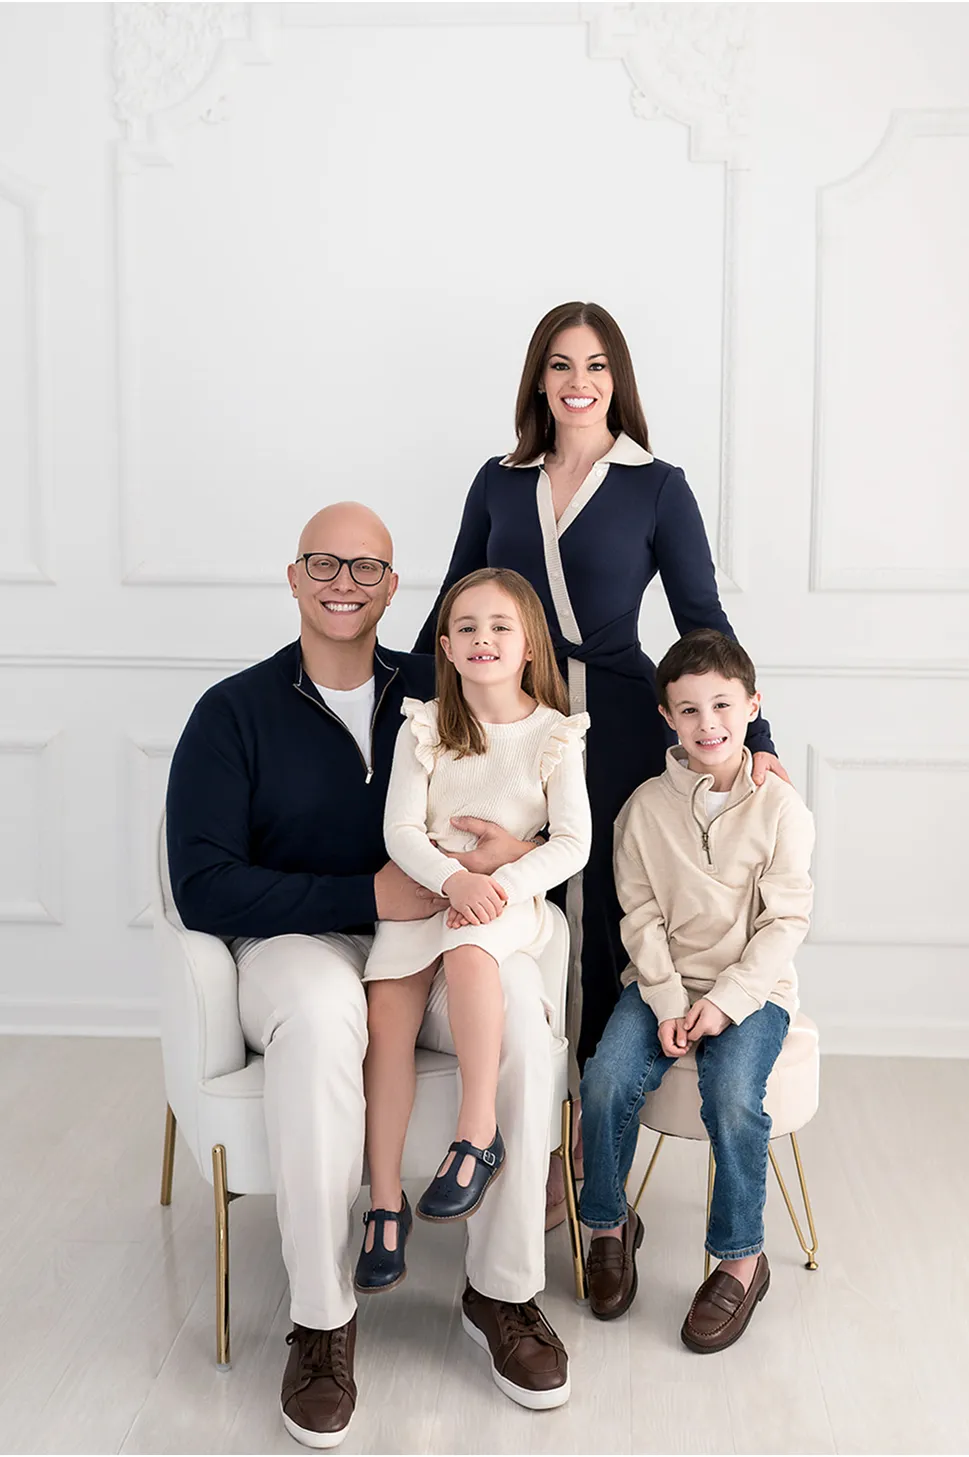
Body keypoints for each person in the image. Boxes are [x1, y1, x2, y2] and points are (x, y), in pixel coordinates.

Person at [165, 504, 573, 1450]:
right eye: (323, 563)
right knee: (318, 1012)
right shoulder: (233, 712)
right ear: (294, 576)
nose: (343, 580)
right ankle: (320, 1320)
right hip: (295, 944)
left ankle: (502, 1292)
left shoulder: (448, 690)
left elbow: (542, 785)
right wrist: (362, 894)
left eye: (366, 567)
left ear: (395, 587)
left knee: (514, 1002)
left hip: (432, 940)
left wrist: (520, 850)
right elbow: (202, 884)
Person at [414, 300, 790, 1225]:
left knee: (602, 923)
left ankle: (575, 1146)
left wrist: (763, 738)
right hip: (508, 723)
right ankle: (518, 1122)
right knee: (521, 905)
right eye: (558, 363)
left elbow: (702, 620)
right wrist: (401, 705)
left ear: (616, 378)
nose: (577, 381)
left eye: (594, 364)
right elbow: (452, 604)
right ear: (538, 379)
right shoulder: (498, 481)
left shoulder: (656, 484)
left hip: (617, 720)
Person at [355, 568, 591, 1300]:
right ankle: (384, 1202)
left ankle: (475, 1133)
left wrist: (494, 887)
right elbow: (399, 827)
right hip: (430, 894)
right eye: (466, 628)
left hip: (499, 907)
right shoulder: (425, 727)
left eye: (499, 627)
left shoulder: (554, 735)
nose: (482, 639)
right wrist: (450, 880)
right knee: (386, 1015)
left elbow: (572, 842)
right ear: (446, 648)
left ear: (527, 646)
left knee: (466, 954)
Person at [578, 629, 814, 1351]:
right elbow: (639, 916)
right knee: (604, 1078)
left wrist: (724, 1002)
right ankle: (610, 1223)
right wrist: (669, 1000)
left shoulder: (780, 808)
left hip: (753, 990)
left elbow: (785, 921)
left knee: (735, 1098)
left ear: (751, 706)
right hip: (663, 984)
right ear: (666, 717)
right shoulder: (643, 809)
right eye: (687, 709)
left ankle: (740, 1257)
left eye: (721, 704)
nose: (706, 722)